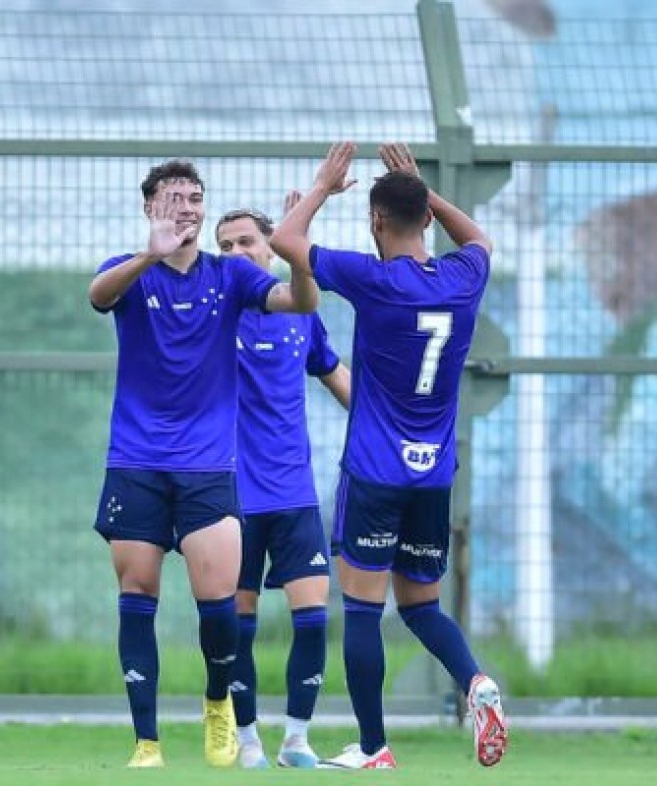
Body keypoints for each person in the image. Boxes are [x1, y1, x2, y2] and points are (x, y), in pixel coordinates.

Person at [86, 154, 341, 768]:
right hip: (136, 460)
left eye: (194, 197)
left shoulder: (230, 276)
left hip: (207, 466)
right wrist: (150, 252)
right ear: (151, 208)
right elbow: (97, 297)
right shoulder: (130, 272)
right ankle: (146, 742)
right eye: (174, 198)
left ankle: (217, 703)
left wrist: (299, 250)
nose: (187, 209)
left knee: (219, 603)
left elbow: (297, 301)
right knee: (137, 590)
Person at [270, 141, 509, 770]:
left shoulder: (373, 280)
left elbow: (286, 242)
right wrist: (421, 187)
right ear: (427, 219)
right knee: (424, 606)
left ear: (376, 222)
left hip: (376, 470)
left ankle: (374, 746)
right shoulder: (464, 277)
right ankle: (477, 683)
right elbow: (480, 237)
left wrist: (323, 186)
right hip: (435, 476)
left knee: (362, 610)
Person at [215, 197, 352, 769]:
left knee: (314, 617)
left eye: (245, 241)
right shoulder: (214, 310)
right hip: (232, 499)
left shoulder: (301, 310)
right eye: (224, 246)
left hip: (294, 493)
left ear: (270, 247)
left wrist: (386, 429)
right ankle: (246, 739)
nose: (235, 253)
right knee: (235, 624)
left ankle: (297, 737)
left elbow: (334, 375)